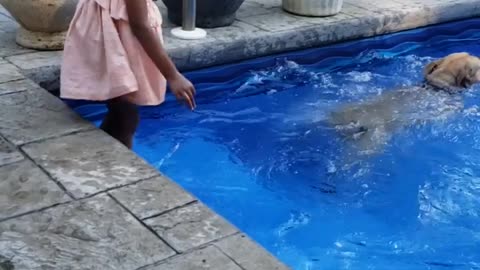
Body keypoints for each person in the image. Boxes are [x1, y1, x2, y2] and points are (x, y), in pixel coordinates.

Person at [60, 0, 196, 149]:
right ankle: (114, 162)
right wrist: (173, 76)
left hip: (111, 33)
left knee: (121, 109)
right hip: (111, 37)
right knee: (125, 115)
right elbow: (139, 26)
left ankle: (105, 155)